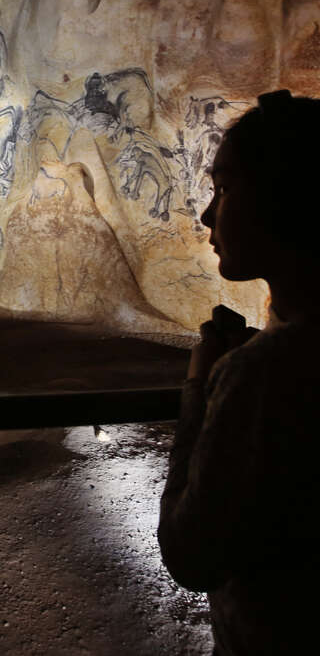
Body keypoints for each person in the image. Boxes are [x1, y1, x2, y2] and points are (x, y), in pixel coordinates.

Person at [157, 89, 320, 655]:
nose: (207, 214)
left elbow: (189, 551)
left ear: (286, 200)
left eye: (224, 189)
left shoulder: (263, 375)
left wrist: (200, 388)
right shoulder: (278, 360)